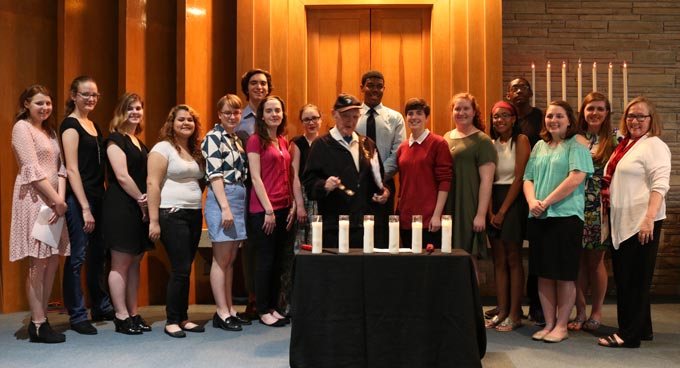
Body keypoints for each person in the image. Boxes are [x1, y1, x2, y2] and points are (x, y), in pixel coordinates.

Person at [598, 97, 671, 348]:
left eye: (641, 116)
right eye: (631, 115)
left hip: (641, 222)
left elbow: (660, 184)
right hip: (624, 221)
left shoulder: (654, 145)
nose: (635, 120)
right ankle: (642, 329)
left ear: (652, 120)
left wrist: (649, 219)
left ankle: (627, 335)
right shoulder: (627, 144)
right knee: (632, 278)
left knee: (633, 281)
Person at [523, 100, 593, 343]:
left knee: (563, 274)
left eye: (559, 116)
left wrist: (547, 202)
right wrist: (532, 201)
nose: (553, 120)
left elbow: (576, 178)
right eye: (550, 116)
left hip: (565, 217)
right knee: (543, 273)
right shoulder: (540, 146)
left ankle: (561, 325)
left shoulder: (578, 145)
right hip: (538, 216)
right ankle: (549, 323)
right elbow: (527, 178)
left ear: (569, 120)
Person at [10, 85, 69, 343]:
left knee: (52, 260)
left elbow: (61, 168)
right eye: (39, 103)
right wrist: (56, 200)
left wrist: (61, 200)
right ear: (26, 104)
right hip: (35, 200)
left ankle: (42, 318)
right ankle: (37, 323)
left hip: (54, 204)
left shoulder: (51, 131)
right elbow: (31, 169)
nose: (45, 107)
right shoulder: (22, 128)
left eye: (48, 103)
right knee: (37, 262)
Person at [59, 76, 114, 335]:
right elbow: (71, 168)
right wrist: (84, 206)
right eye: (85, 94)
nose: (91, 99)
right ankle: (78, 314)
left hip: (98, 197)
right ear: (73, 95)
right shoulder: (70, 125)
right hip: (80, 199)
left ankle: (101, 305)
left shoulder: (93, 125)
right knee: (78, 256)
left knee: (98, 256)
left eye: (94, 94)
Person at [147, 105, 206, 338]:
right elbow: (152, 183)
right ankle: (172, 319)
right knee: (180, 268)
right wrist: (154, 221)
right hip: (171, 213)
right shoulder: (163, 148)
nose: (186, 123)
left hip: (193, 214)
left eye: (190, 120)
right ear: (171, 123)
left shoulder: (194, 150)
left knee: (185, 267)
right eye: (181, 119)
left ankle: (183, 317)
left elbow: (199, 182)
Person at [303, 94, 390, 249]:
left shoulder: (367, 144)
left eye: (355, 117)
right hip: (335, 227)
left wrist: (383, 193)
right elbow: (309, 184)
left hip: (365, 226)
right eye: (345, 116)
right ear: (334, 114)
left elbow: (378, 179)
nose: (350, 121)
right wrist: (324, 185)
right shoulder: (321, 145)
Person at [102, 93, 153, 335]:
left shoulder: (139, 142)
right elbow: (122, 176)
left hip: (137, 207)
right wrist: (142, 199)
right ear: (121, 112)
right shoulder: (115, 139)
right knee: (120, 263)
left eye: (139, 108)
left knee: (135, 262)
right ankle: (120, 315)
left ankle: (133, 312)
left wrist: (144, 203)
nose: (135, 112)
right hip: (121, 206)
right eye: (130, 108)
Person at [568, 92, 618, 333]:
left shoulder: (616, 139)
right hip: (575, 205)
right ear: (583, 112)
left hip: (600, 207)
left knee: (596, 261)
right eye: (590, 109)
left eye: (600, 109)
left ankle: (596, 311)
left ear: (607, 113)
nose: (595, 113)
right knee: (576, 260)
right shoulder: (573, 139)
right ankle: (579, 311)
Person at [201, 95, 251, 332]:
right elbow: (215, 175)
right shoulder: (214, 137)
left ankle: (230, 309)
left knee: (230, 260)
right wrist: (225, 207)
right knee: (221, 260)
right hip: (224, 198)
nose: (232, 116)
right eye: (227, 113)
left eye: (236, 112)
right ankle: (221, 312)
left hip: (238, 196)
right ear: (219, 115)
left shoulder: (235, 139)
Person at [246, 95, 296, 327]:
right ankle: (262, 309)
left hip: (284, 208)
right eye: (269, 111)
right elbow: (255, 177)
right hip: (264, 210)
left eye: (278, 110)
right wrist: (268, 210)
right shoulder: (256, 140)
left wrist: (292, 203)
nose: (275, 114)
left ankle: (274, 306)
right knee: (264, 261)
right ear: (262, 115)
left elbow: (287, 176)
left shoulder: (283, 141)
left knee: (277, 261)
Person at [485, 101, 530, 332]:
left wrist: (502, 211)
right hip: (493, 198)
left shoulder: (520, 141)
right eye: (495, 116)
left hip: (513, 200)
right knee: (498, 259)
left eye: (504, 115)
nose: (499, 120)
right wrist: (490, 210)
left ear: (513, 119)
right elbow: (487, 178)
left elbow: (520, 177)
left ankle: (515, 313)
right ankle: (501, 310)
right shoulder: (490, 143)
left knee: (513, 257)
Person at [504, 77, 545, 325]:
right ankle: (511, 306)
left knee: (537, 249)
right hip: (512, 192)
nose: (519, 91)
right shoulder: (506, 117)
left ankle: (538, 304)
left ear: (530, 92)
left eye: (523, 87)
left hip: (535, 190)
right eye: (514, 88)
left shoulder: (540, 118)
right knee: (512, 251)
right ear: (508, 95)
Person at [444, 93, 496, 263]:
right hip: (448, 203)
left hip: (469, 205)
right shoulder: (445, 138)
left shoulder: (483, 141)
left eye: (466, 108)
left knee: (468, 256)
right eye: (457, 109)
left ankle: (471, 290)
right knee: (448, 253)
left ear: (474, 112)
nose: (461, 112)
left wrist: (481, 214)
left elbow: (487, 181)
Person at [237, 68, 273, 319]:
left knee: (270, 247)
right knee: (250, 246)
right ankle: (252, 298)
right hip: (248, 187)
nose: (259, 87)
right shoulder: (239, 120)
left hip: (272, 188)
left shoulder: (275, 116)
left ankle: (270, 297)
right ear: (246, 88)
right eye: (254, 83)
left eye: (263, 83)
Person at [356, 70, 405, 246]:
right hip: (357, 183)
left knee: (382, 234)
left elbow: (398, 152)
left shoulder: (395, 118)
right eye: (370, 85)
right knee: (358, 234)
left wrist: (378, 179)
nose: (374, 90)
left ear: (384, 88)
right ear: (362, 87)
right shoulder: (353, 116)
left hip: (384, 184)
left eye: (379, 86)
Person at [395, 98, 452, 248]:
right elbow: (403, 184)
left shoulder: (438, 143)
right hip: (406, 218)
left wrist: (437, 216)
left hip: (429, 219)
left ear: (426, 117)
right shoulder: (402, 148)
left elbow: (445, 182)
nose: (414, 117)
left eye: (419, 113)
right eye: (410, 114)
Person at [289, 104, 321, 252]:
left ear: (320, 120)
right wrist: (299, 205)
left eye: (314, 118)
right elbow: (294, 175)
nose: (311, 122)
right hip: (303, 195)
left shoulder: (325, 143)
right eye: (306, 119)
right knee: (301, 239)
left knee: (318, 238)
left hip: (321, 196)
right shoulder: (297, 143)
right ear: (301, 122)